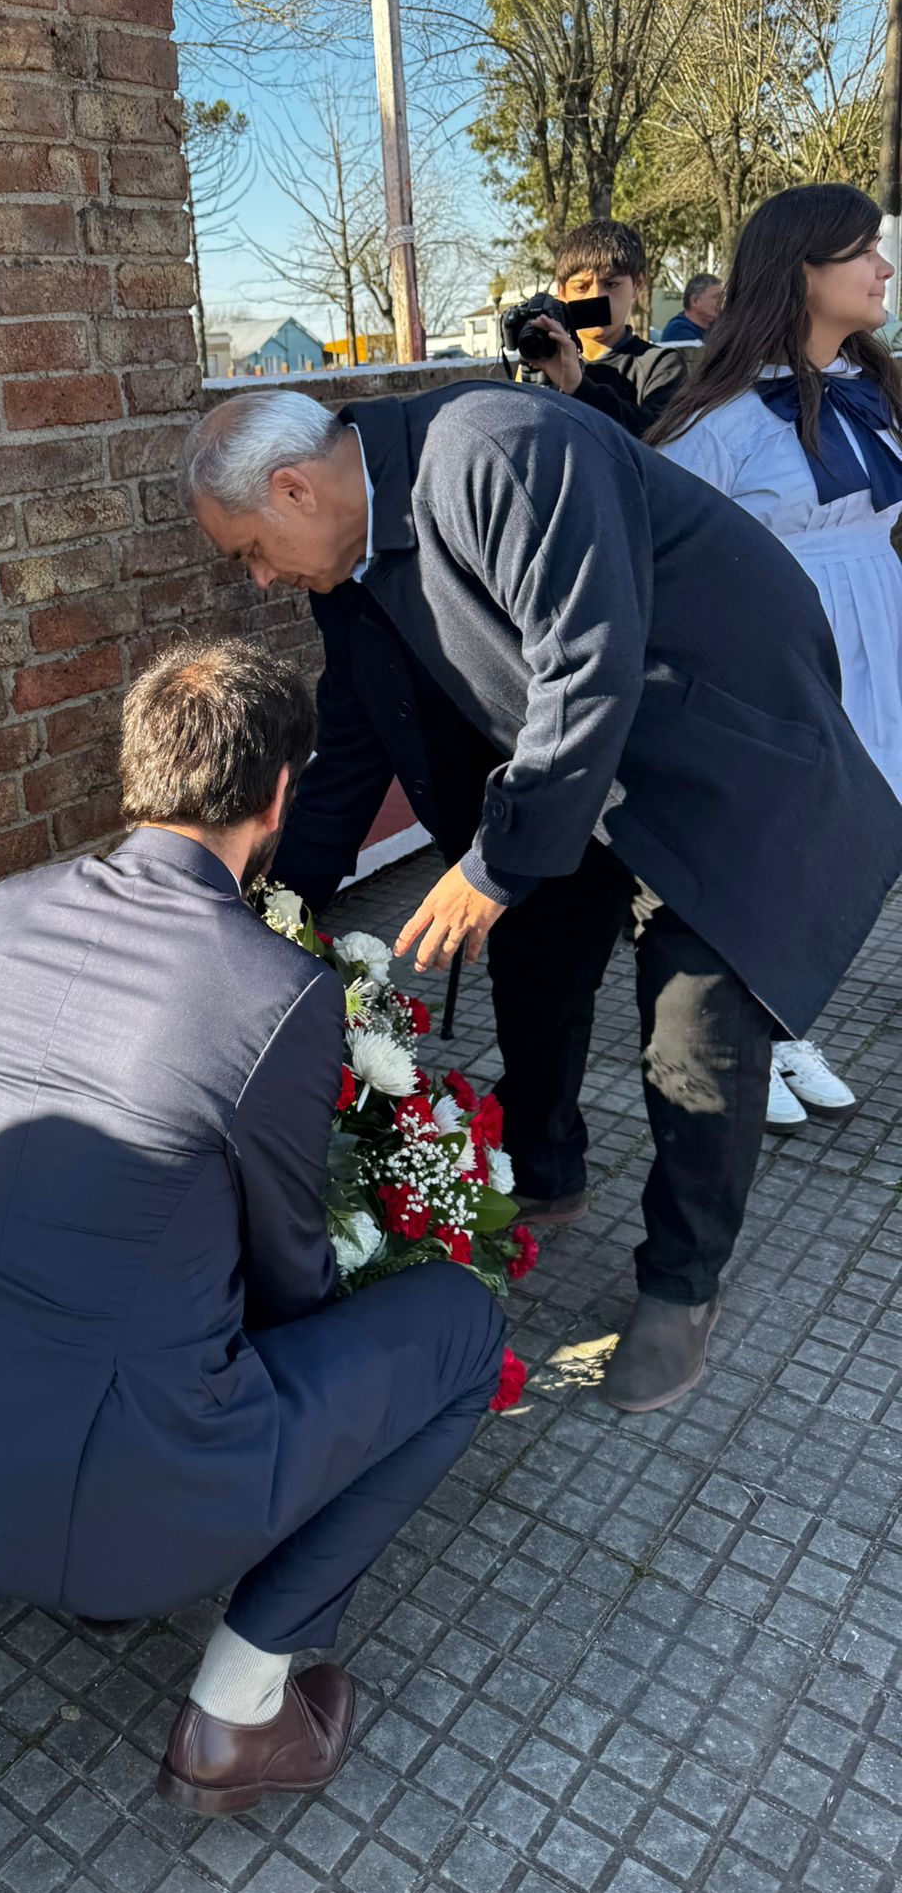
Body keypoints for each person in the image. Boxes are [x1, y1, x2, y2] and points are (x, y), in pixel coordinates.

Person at [181, 386, 902, 1416]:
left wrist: (491, 865)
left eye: (248, 547)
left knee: (698, 1027)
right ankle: (548, 1168)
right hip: (579, 770)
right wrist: (280, 914)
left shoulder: (498, 450)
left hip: (716, 749)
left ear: (293, 487)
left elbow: (588, 661)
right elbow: (350, 738)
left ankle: (682, 1284)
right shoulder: (347, 562)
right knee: (533, 959)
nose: (256, 574)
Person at [0, 639, 504, 1816]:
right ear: (281, 794)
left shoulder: (9, 912)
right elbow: (286, 1270)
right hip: (117, 1510)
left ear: (136, 772)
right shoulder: (275, 989)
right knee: (462, 1328)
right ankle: (239, 1702)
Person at [650, 183, 902, 1132]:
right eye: (864, 252)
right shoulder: (719, 420)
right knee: (792, 842)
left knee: (864, 836)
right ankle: (765, 1026)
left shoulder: (873, 392)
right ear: (803, 269)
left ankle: (789, 1010)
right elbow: (661, 554)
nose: (884, 269)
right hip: (786, 649)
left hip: (879, 624)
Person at [527, 219, 688, 435]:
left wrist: (578, 388)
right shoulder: (543, 360)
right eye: (582, 287)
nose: (597, 296)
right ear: (563, 292)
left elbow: (657, 440)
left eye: (611, 284)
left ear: (638, 286)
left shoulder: (660, 366)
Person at [660, 272, 723, 344]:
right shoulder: (678, 331)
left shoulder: (717, 327)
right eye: (716, 297)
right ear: (695, 301)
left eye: (722, 297)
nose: (721, 301)